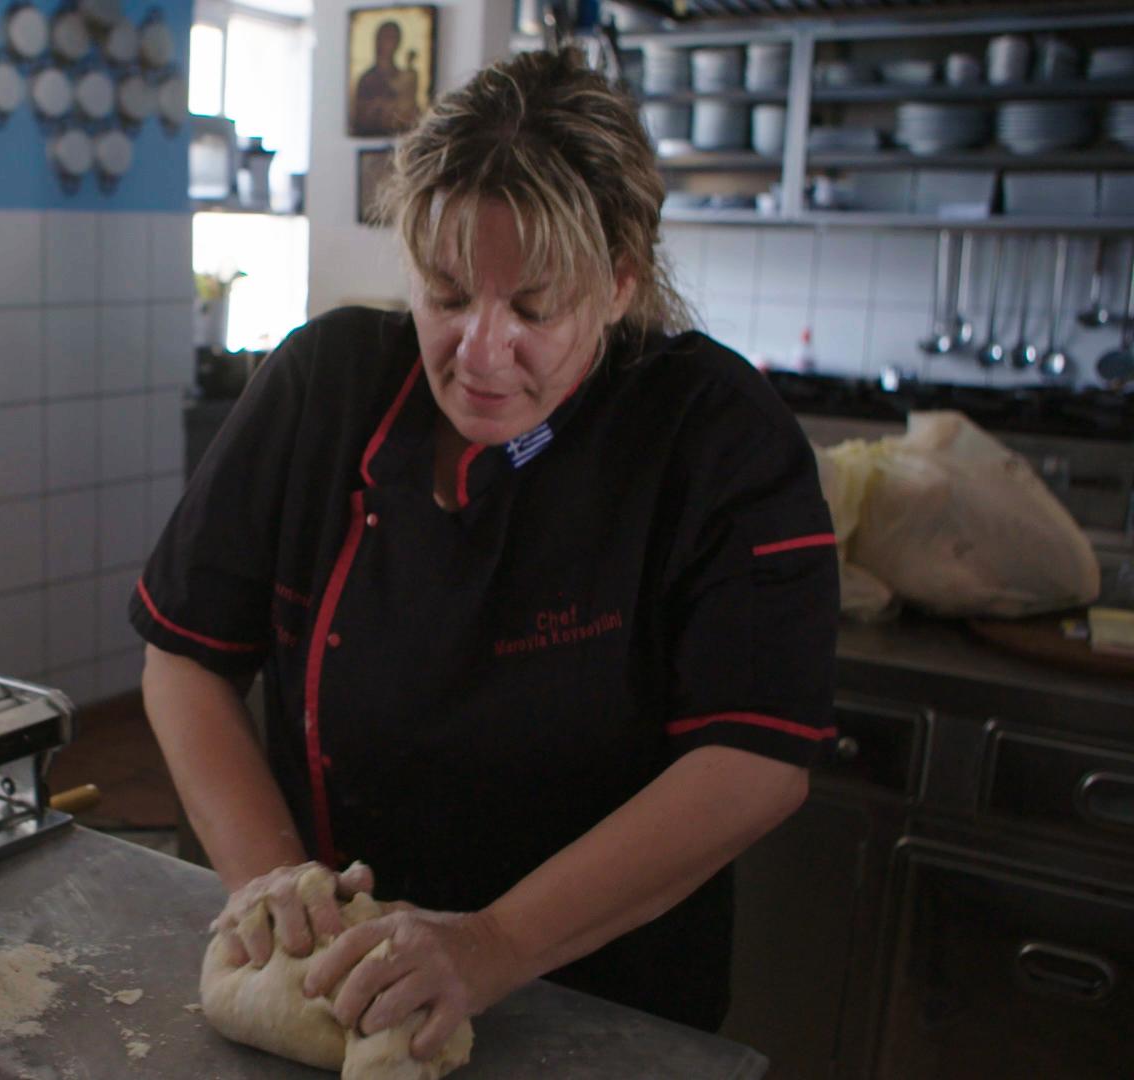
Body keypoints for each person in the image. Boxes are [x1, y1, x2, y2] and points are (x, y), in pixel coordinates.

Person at [129, 48, 839, 1061]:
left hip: (608, 1006)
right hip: (338, 995)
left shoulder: (718, 437)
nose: (479, 351)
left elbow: (756, 763)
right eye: (448, 293)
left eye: (535, 309)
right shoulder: (322, 390)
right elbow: (186, 655)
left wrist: (493, 945)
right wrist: (272, 888)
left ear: (622, 284)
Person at [351, 19, 422, 135]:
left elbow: (413, 113)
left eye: (392, 38)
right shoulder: (366, 79)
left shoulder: (405, 76)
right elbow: (361, 116)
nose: (388, 43)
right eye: (385, 38)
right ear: (377, 41)